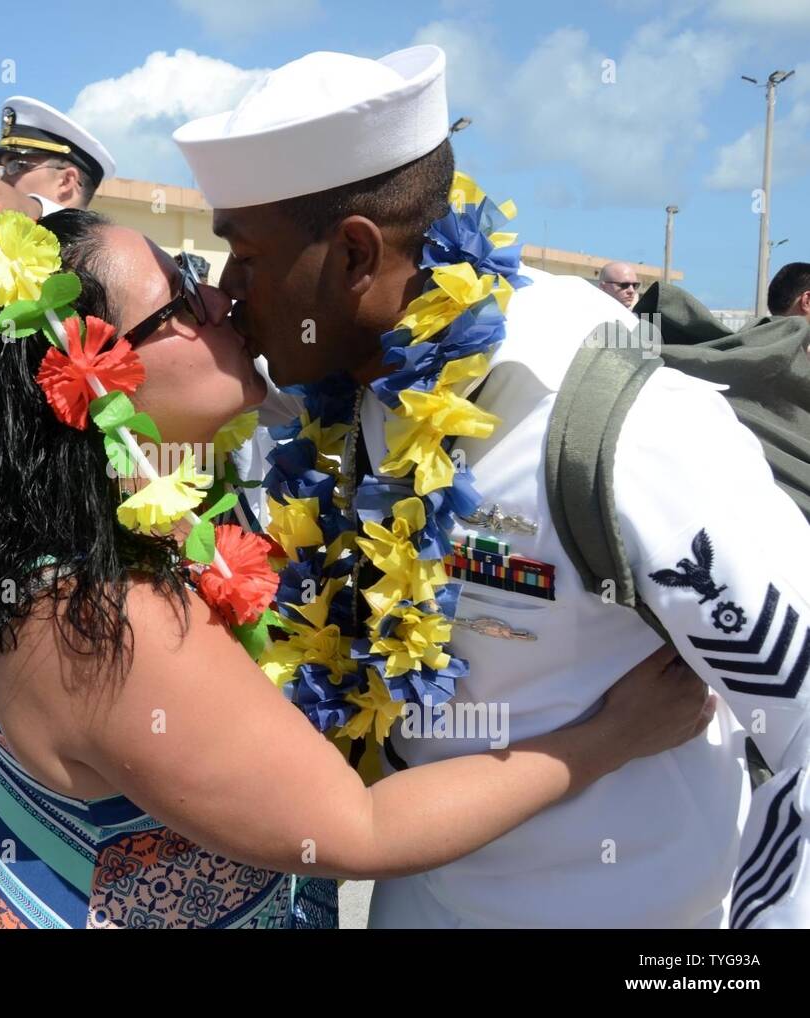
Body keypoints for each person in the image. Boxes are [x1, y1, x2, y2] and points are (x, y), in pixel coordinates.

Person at [0, 191, 714, 928]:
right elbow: (359, 829)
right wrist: (612, 736)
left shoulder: (168, 507)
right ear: (90, 377)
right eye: (183, 297)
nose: (222, 297)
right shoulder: (102, 617)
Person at [169, 45, 810, 927]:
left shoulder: (610, 426)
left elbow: (801, 720)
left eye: (242, 254)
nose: (228, 291)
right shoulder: (326, 400)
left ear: (355, 255)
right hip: (416, 903)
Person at [0, 95, 114, 215]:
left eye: (17, 166)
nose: (3, 179)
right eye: (3, 170)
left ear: (66, 181)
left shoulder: (100, 242)